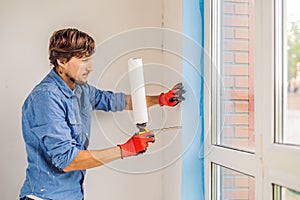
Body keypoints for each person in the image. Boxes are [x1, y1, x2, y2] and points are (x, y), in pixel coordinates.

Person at [19, 28, 185, 200]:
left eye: (90, 58)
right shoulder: (46, 98)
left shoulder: (81, 90)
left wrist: (160, 99)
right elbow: (68, 161)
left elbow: (115, 101)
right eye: (83, 60)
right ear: (61, 61)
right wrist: (124, 150)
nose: (90, 67)